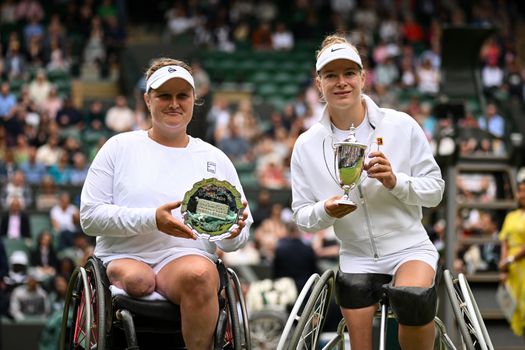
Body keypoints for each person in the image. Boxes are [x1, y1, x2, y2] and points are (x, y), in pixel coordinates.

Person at [80, 57, 252, 349]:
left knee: (200, 274)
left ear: (194, 100)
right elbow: (90, 217)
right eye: (164, 95)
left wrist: (233, 233)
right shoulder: (118, 148)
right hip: (125, 256)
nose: (174, 103)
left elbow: (239, 236)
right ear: (148, 100)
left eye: (182, 95)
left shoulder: (215, 159)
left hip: (185, 260)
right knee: (138, 280)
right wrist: (152, 219)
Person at [290, 34, 445, 350]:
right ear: (318, 83)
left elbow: (435, 192)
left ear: (363, 77)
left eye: (349, 73)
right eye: (331, 75)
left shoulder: (402, 125)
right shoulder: (306, 145)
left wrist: (395, 181)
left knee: (412, 298)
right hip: (356, 256)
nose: (341, 82)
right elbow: (303, 216)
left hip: (409, 247)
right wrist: (326, 210)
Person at [498, 180, 525, 337]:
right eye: (519, 191)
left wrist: (510, 259)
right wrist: (504, 266)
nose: (521, 195)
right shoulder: (511, 216)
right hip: (513, 269)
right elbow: (505, 242)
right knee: (517, 311)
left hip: (522, 264)